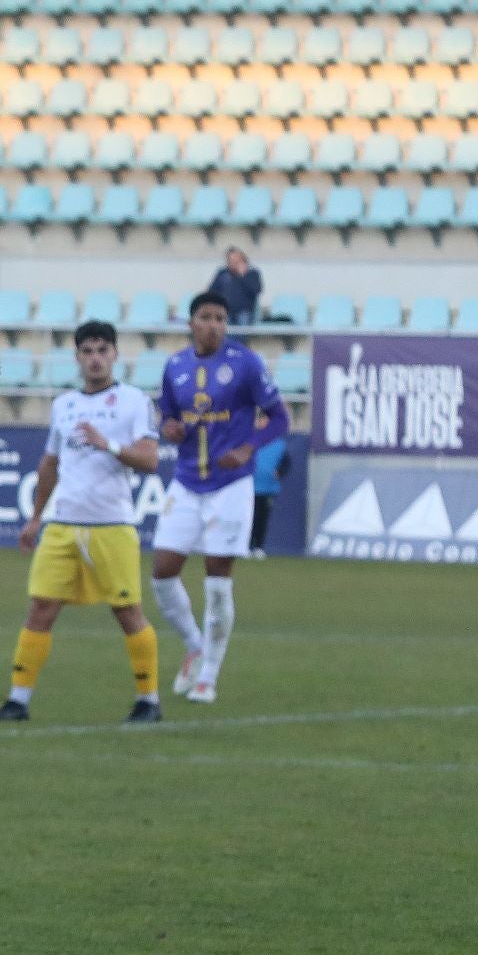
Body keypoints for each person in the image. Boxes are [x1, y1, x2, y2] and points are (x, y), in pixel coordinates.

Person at [0, 320, 161, 726]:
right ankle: (18, 700)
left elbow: (150, 459)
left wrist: (109, 444)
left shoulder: (133, 401)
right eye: (88, 351)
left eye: (103, 350)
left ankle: (148, 699)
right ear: (77, 357)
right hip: (62, 525)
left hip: (112, 524)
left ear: (115, 355)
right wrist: (35, 518)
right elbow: (50, 464)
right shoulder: (64, 405)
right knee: (41, 608)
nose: (95, 358)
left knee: (127, 611)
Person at [150, 292, 289, 704]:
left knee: (215, 583)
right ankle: (195, 644)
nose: (214, 324)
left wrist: (248, 449)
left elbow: (280, 417)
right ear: (191, 322)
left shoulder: (245, 363)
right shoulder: (175, 366)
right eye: (206, 317)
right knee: (162, 573)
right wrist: (169, 427)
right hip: (187, 481)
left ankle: (209, 674)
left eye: (221, 318)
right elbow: (167, 415)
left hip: (230, 486)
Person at [249, 434, 290, 557]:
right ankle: (247, 546)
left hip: (268, 488)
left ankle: (258, 547)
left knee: (262, 519)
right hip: (251, 488)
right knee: (250, 518)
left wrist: (279, 472)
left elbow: (286, 463)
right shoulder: (252, 441)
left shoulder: (279, 444)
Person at [205, 247, 263, 327]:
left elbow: (256, 290)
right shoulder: (223, 273)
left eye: (235, 261)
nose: (232, 263)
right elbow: (211, 291)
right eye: (230, 261)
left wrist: (243, 276)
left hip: (244, 312)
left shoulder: (252, 274)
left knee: (243, 319)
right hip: (225, 312)